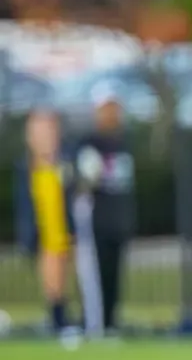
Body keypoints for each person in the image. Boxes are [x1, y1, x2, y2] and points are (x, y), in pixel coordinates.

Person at [72, 85, 136, 336]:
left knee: (114, 274)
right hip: (98, 220)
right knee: (95, 276)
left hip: (119, 220)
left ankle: (111, 322)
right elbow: (82, 183)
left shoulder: (124, 142)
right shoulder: (89, 142)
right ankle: (94, 324)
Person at [14, 108, 75, 335]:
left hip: (65, 229)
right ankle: (57, 318)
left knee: (66, 270)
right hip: (43, 232)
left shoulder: (66, 164)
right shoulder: (26, 168)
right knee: (50, 270)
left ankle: (72, 317)